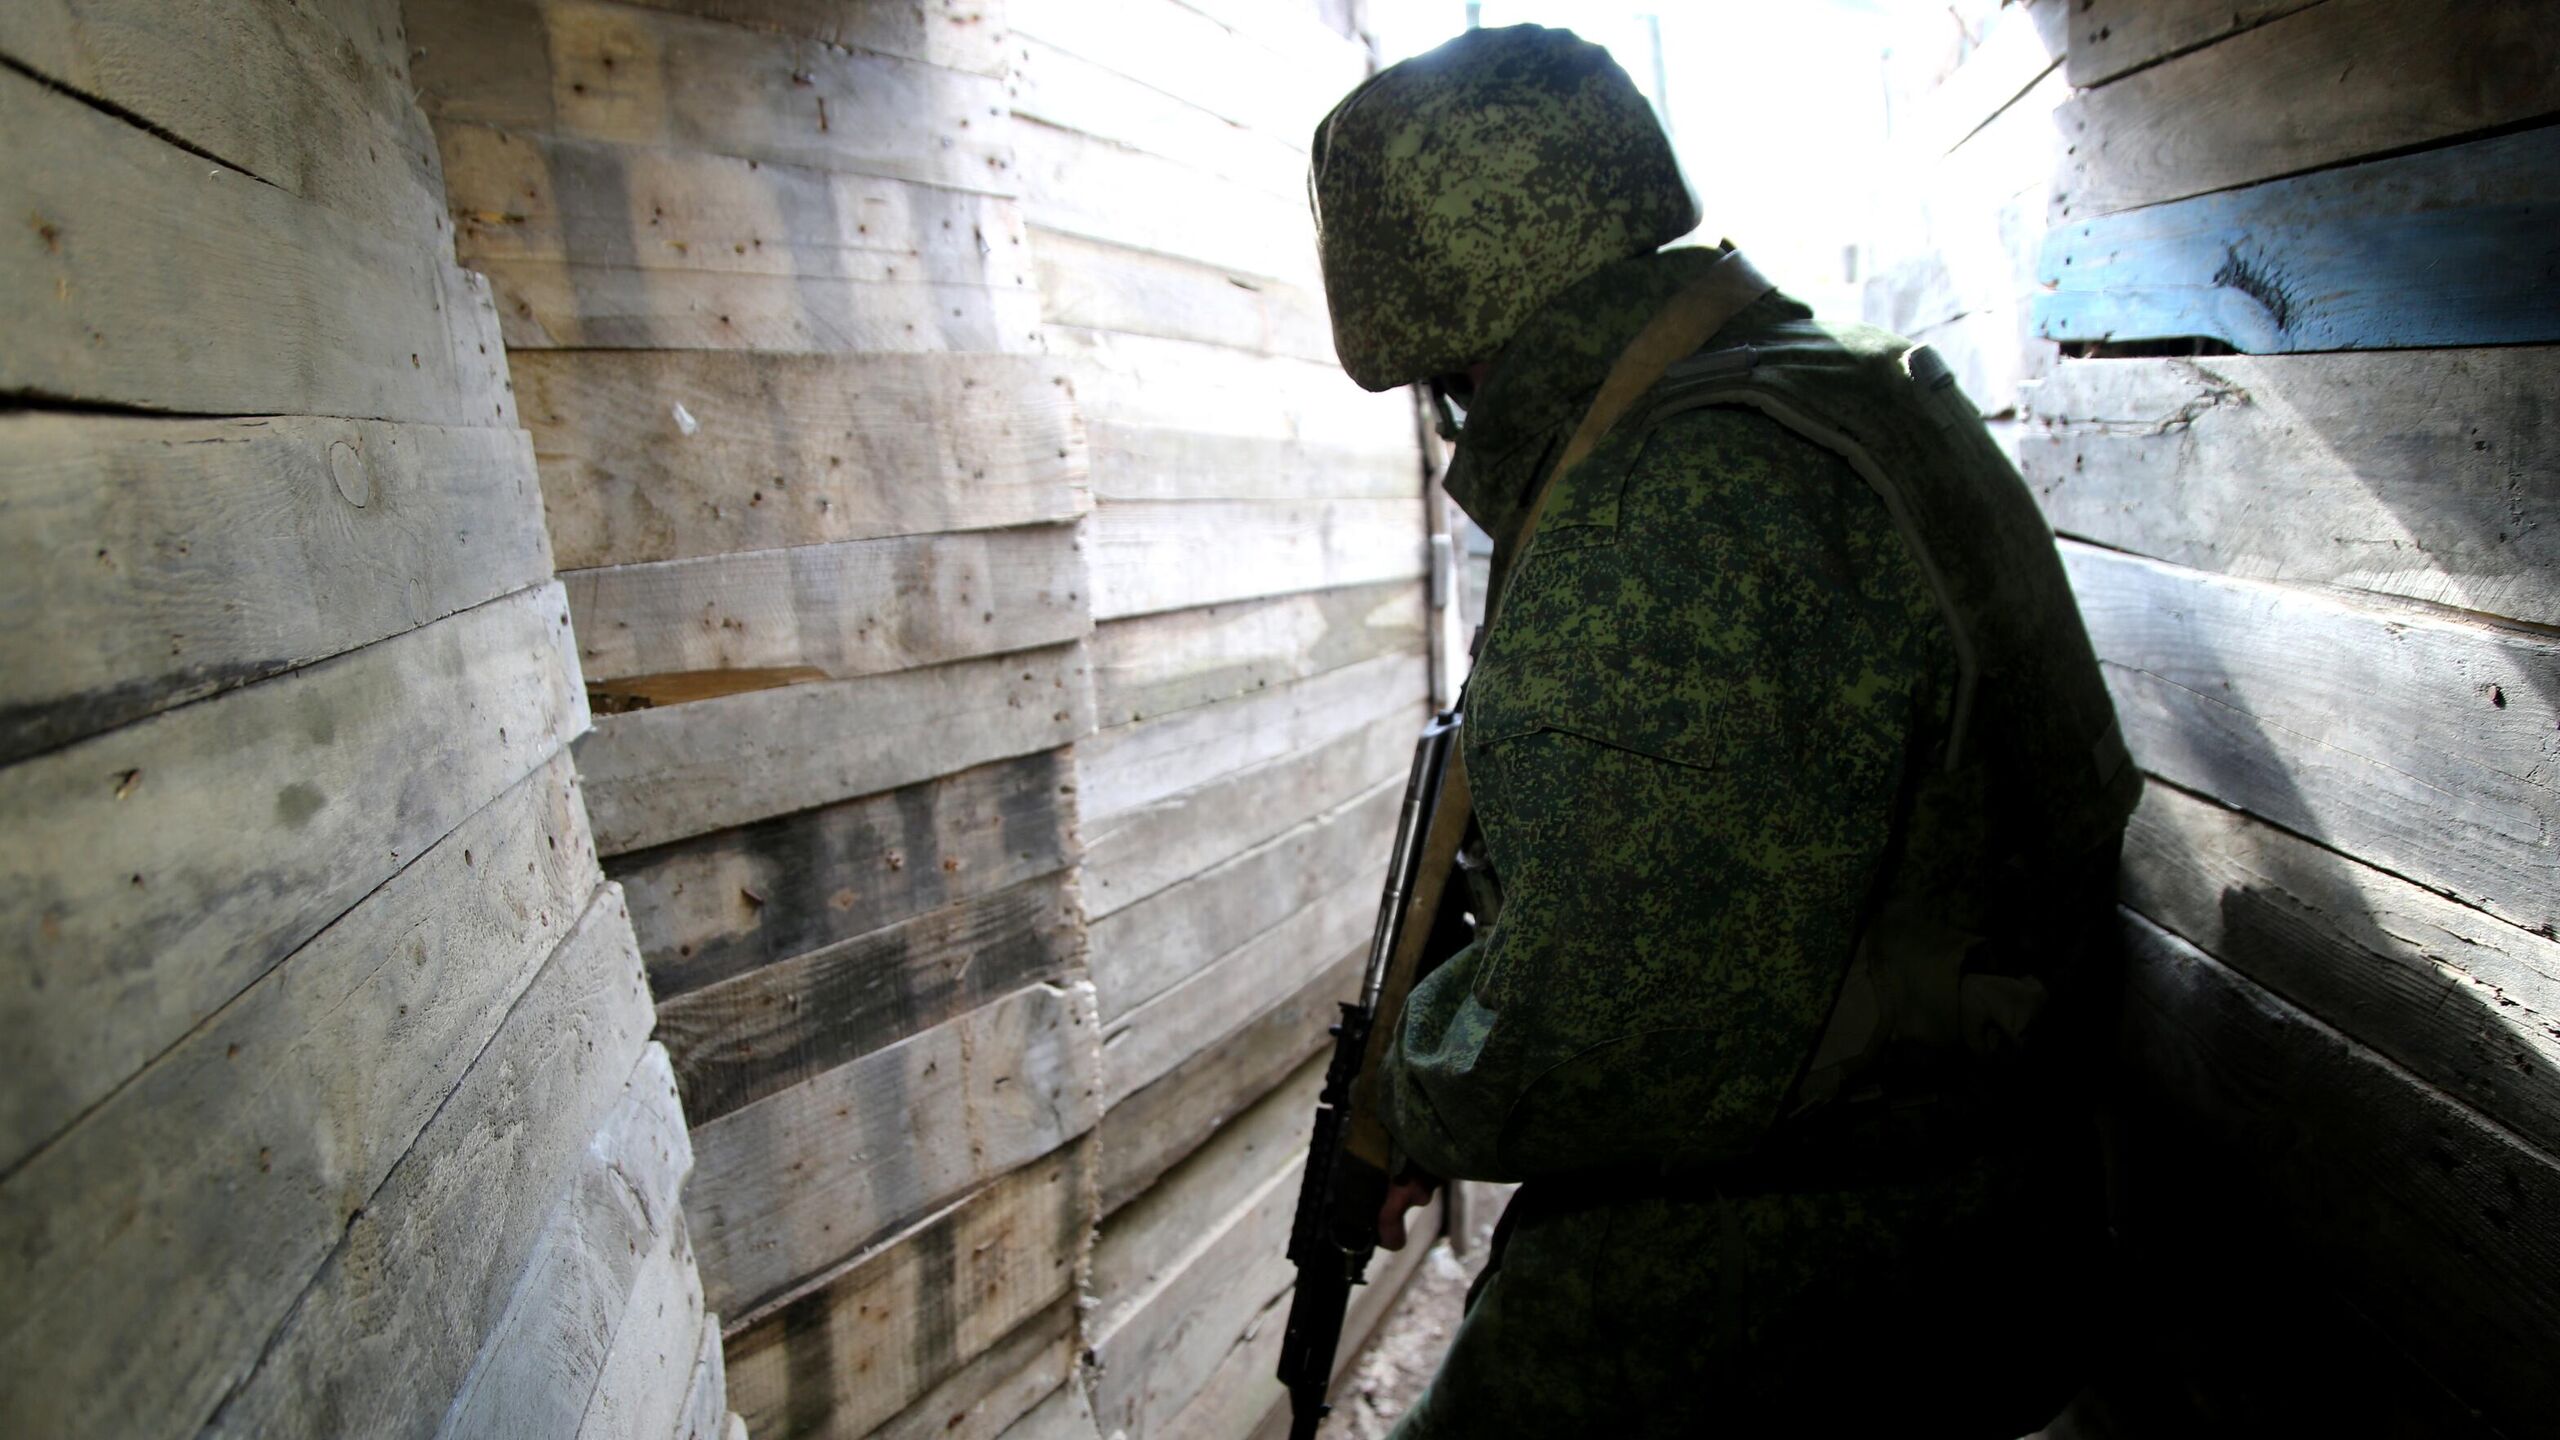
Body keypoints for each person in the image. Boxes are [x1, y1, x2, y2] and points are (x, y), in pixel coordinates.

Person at [1307, 25, 2143, 1438]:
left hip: (1836, 1236)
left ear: (1450, 343)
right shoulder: (1834, 386)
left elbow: (1614, 1031)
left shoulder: (1664, 506)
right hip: (1988, 1183)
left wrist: (1410, 1096)